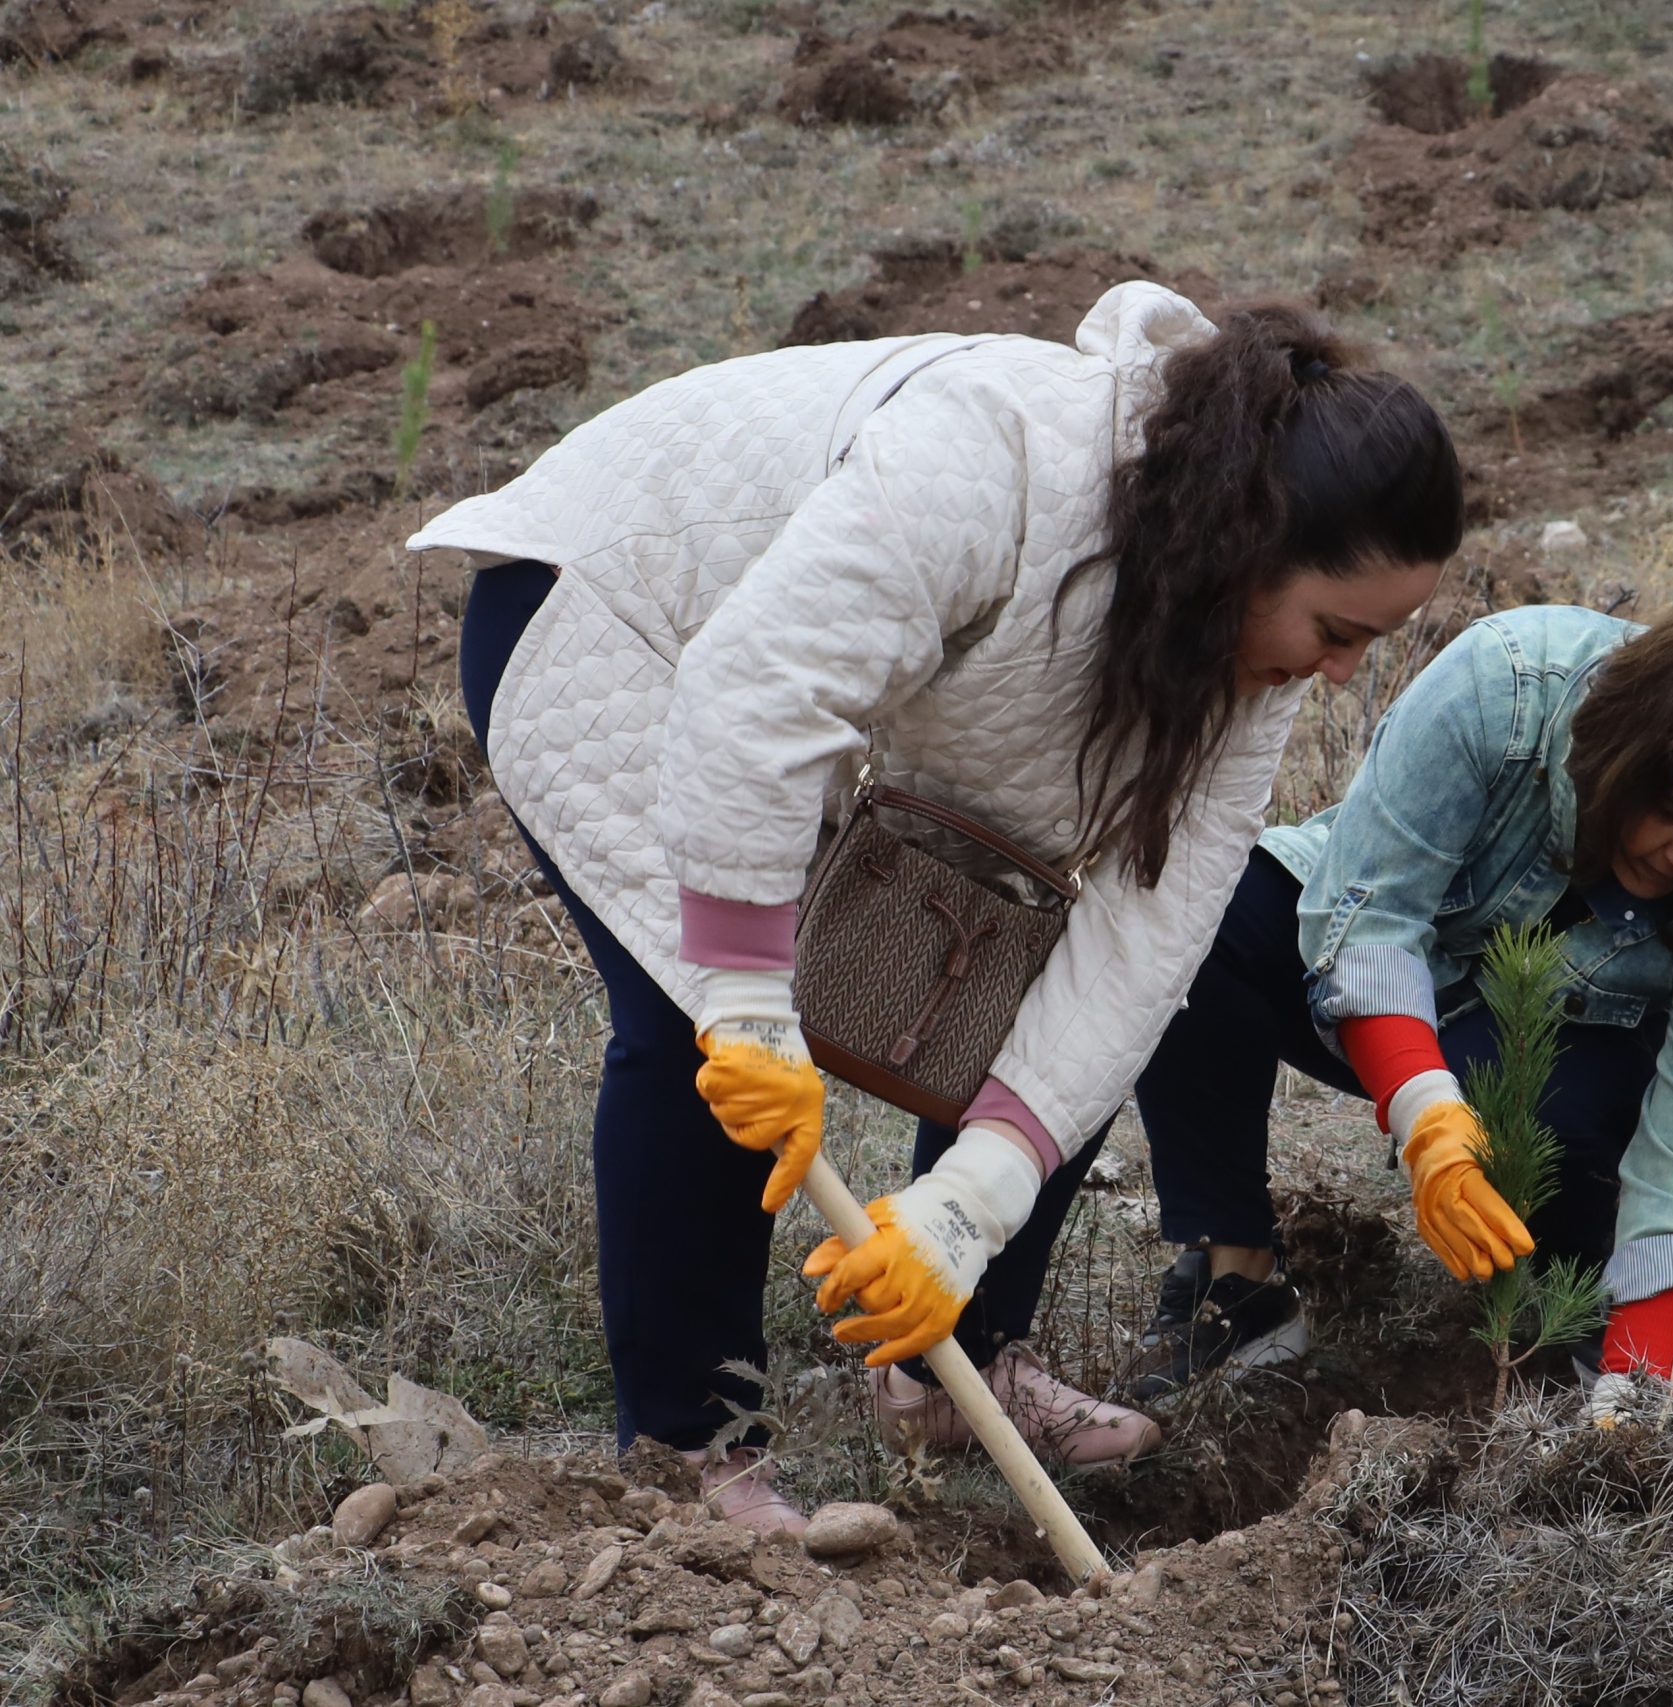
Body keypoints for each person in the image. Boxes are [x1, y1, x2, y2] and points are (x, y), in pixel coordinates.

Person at [425, 283, 1464, 1530]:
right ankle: (691, 1452)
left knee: (1056, 987)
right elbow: (760, 695)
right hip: (623, 616)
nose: (1342, 673)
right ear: (1250, 540)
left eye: (1370, 643)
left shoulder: (1247, 645)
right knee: (692, 1031)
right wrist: (749, 999)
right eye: (1337, 630)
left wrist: (970, 1205)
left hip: (806, 690)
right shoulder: (995, 458)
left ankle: (954, 1367)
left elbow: (1145, 935)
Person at [1108, 602, 1673, 1400]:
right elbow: (1372, 919)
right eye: (1672, 811)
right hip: (1392, 994)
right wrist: (1427, 1118)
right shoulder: (1499, 687)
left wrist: (1637, 1382)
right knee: (1202, 924)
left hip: (1572, 1070)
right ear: (1616, 759)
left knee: (1575, 1156)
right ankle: (1237, 1284)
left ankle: (1591, 1323)